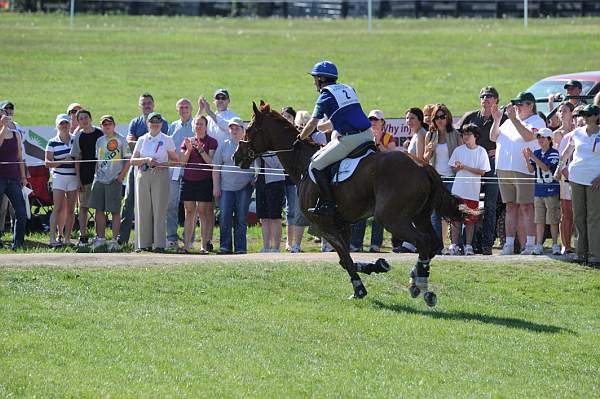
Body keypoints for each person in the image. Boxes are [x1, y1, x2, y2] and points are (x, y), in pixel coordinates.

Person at [297, 60, 373, 217]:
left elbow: (312, 123)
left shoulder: (326, 95)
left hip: (351, 140)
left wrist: (301, 137)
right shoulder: (348, 88)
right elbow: (346, 115)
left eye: (315, 79)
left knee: (316, 164)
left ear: (321, 79)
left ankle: (329, 203)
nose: (314, 83)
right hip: (368, 135)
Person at [490, 92, 546, 255]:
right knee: (510, 207)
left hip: (523, 170)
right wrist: (496, 119)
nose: (517, 108)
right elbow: (493, 137)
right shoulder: (508, 122)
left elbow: (528, 137)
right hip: (504, 169)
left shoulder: (537, 121)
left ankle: (529, 244)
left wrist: (513, 119)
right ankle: (508, 244)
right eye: (516, 105)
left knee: (527, 207)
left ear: (530, 105)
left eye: (520, 105)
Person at [458, 86, 507, 255]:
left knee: (491, 205)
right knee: (468, 202)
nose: (486, 98)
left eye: (490, 96)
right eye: (483, 96)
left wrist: (498, 150)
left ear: (496, 101)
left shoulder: (504, 118)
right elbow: (460, 138)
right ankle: (467, 244)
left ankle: (487, 244)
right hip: (472, 164)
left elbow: (510, 140)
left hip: (493, 164)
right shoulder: (470, 117)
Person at [119, 93, 169, 245]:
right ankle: (123, 239)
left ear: (153, 105)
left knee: (155, 206)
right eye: (144, 103)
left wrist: (143, 149)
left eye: (149, 103)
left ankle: (154, 241)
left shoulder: (162, 122)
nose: (146, 105)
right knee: (129, 202)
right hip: (137, 168)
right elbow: (130, 141)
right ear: (140, 106)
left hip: (156, 170)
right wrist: (143, 150)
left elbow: (160, 144)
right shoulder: (135, 122)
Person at [554, 104, 600, 265]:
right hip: (576, 179)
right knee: (579, 216)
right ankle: (581, 253)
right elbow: (566, 153)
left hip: (595, 181)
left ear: (596, 116)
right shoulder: (577, 133)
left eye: (588, 114)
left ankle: (595, 254)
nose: (584, 117)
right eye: (583, 114)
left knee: (593, 217)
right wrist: (559, 169)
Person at [130, 112, 178, 252]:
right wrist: (146, 160)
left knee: (159, 210)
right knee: (143, 209)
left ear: (161, 124)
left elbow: (175, 160)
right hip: (143, 174)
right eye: (152, 122)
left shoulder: (167, 139)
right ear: (148, 124)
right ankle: (144, 244)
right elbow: (133, 160)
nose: (155, 125)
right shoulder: (142, 139)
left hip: (160, 175)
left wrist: (163, 165)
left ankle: (159, 244)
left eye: (158, 122)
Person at [350, 109, 392, 253]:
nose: (373, 122)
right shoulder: (364, 136)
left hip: (383, 180)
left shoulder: (388, 137)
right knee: (361, 210)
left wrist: (378, 143)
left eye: (376, 120)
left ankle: (375, 244)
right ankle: (356, 243)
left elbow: (391, 155)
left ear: (382, 122)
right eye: (371, 119)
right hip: (365, 179)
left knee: (378, 214)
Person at [87, 115, 131, 251]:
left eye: (109, 124)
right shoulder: (99, 141)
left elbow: (128, 160)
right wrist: (96, 174)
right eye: (104, 124)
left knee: (115, 211)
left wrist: (121, 177)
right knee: (98, 210)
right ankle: (100, 239)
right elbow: (98, 160)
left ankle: (114, 240)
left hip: (114, 180)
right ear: (101, 126)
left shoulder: (121, 140)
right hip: (99, 179)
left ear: (114, 125)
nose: (107, 126)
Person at [212, 118, 254, 254]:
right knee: (224, 217)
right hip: (226, 188)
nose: (234, 131)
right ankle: (225, 246)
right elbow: (216, 168)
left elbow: (257, 165)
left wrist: (254, 178)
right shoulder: (223, 145)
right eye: (232, 128)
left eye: (237, 128)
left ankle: (240, 247)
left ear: (243, 130)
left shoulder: (250, 145)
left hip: (244, 187)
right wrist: (216, 187)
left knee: (241, 218)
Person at [424, 103, 462, 253]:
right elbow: (425, 160)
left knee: (453, 212)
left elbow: (461, 154)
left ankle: (455, 244)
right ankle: (438, 246)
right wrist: (429, 151)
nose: (440, 120)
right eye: (436, 117)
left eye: (442, 117)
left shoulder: (455, 134)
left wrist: (460, 165)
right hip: (436, 179)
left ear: (448, 118)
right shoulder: (430, 135)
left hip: (452, 177)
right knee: (435, 214)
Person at [447, 123, 490, 255]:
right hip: (458, 191)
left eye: (468, 134)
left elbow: (482, 171)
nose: (465, 136)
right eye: (464, 134)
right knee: (455, 220)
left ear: (475, 136)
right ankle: (454, 245)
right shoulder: (458, 150)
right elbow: (453, 168)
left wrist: (465, 167)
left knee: (470, 221)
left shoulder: (481, 151)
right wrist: (458, 168)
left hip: (472, 192)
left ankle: (468, 246)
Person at [179, 116, 218, 254]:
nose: (199, 126)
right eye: (196, 124)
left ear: (206, 126)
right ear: (193, 126)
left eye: (201, 124)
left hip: (204, 181)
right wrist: (189, 149)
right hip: (188, 180)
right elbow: (182, 162)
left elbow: (211, 162)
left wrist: (201, 150)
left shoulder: (211, 142)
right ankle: (187, 245)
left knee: (203, 212)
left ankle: (203, 246)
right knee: (189, 212)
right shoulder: (187, 141)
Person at [523, 128, 560, 255]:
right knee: (539, 220)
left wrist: (532, 156)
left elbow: (545, 168)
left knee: (553, 219)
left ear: (550, 139)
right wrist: (527, 159)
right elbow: (531, 170)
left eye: (543, 137)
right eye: (538, 137)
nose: (540, 140)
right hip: (538, 191)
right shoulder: (537, 152)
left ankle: (555, 244)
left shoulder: (554, 153)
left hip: (551, 191)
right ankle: (539, 244)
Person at [70, 109, 103, 246]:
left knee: (99, 208)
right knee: (83, 207)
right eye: (81, 118)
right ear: (78, 122)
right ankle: (82, 236)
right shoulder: (79, 137)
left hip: (101, 177)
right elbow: (77, 159)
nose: (84, 120)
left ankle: (99, 237)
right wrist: (78, 180)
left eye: (86, 117)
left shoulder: (100, 134)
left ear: (90, 118)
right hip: (85, 176)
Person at [166, 98, 195, 250]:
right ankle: (171, 238)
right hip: (174, 171)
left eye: (186, 107)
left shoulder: (196, 125)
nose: (184, 109)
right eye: (181, 107)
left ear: (191, 109)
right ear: (177, 109)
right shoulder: (173, 126)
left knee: (190, 207)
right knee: (171, 205)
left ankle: (189, 239)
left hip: (191, 172)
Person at [45, 114, 77, 247]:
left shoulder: (76, 140)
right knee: (57, 208)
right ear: (57, 126)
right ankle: (53, 238)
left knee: (71, 209)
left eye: (66, 123)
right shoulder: (52, 142)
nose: (64, 126)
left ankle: (67, 238)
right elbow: (47, 163)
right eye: (61, 124)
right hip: (59, 177)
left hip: (73, 178)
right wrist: (64, 161)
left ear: (70, 124)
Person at [280, 106, 307, 253]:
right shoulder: (282, 134)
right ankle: (289, 243)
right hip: (284, 177)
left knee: (296, 210)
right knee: (289, 210)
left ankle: (295, 243)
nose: (286, 119)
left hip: (297, 179)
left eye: (289, 117)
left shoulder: (297, 134)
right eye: (284, 117)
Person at [0, 111, 28, 250]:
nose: (4, 118)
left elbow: (19, 157)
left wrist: (23, 177)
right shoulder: (2, 132)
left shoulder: (16, 134)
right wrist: (3, 128)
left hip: (14, 178)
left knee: (20, 211)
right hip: (0, 178)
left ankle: (18, 243)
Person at [256, 153, 286, 252]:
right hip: (260, 182)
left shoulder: (275, 146)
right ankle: (266, 247)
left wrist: (262, 152)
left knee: (275, 217)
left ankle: (276, 248)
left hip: (275, 183)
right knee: (263, 218)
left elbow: (274, 164)